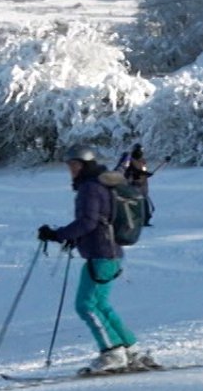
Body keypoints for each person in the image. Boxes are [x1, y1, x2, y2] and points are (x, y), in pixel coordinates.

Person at [38, 145, 149, 374]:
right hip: (111, 253)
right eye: (69, 166)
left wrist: (57, 235)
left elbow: (88, 222)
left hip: (101, 254)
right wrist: (73, 238)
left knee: (86, 306)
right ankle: (132, 350)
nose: (71, 170)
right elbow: (98, 221)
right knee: (101, 305)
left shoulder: (90, 188)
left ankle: (112, 353)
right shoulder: (102, 184)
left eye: (75, 165)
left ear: (85, 165)